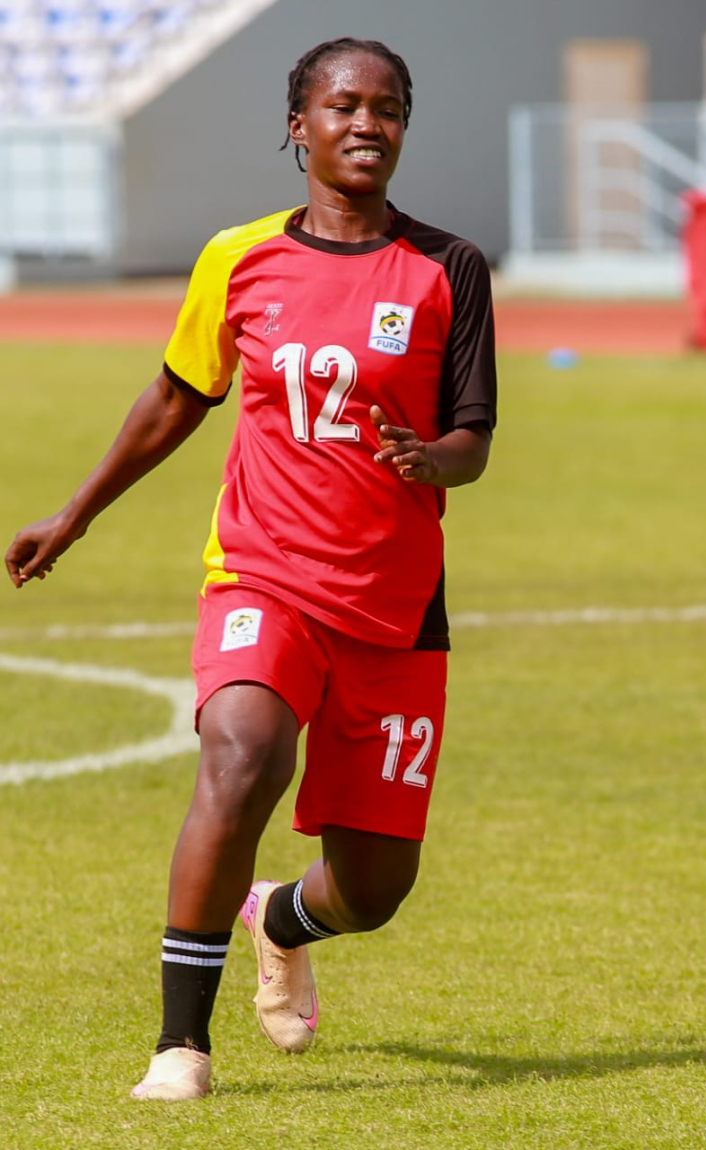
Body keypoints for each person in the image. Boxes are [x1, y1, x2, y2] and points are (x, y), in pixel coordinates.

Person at [4, 36, 497, 1102]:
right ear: (297, 125)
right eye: (344, 105)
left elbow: (474, 439)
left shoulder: (449, 268)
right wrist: (75, 515)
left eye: (388, 108)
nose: (367, 124)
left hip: (396, 609)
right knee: (241, 755)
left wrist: (432, 458)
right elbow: (177, 397)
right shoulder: (237, 258)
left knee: (375, 889)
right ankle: (180, 1046)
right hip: (263, 576)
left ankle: (280, 918)